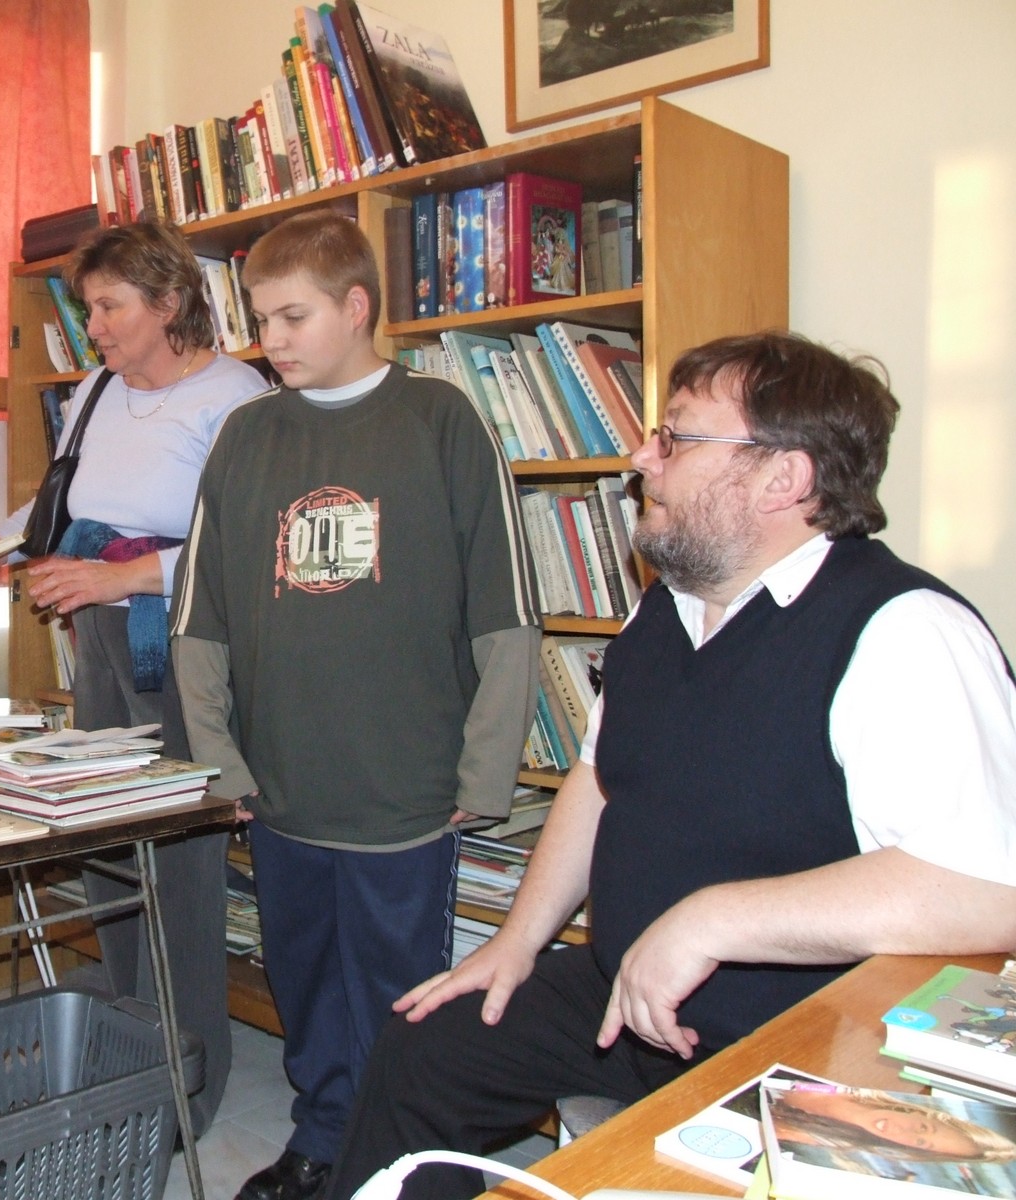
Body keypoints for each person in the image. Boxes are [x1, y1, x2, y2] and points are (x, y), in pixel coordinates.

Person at [327, 330, 1016, 1200]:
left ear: (783, 478)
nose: (640, 457)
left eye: (678, 437)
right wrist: (516, 941)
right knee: (427, 1048)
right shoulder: (667, 609)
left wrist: (709, 921)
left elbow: (987, 891)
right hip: (626, 991)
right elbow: (598, 779)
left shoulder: (904, 633)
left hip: (805, 1034)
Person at [170, 211, 541, 1200]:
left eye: (292, 317)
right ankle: (324, 1139)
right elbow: (199, 619)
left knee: (398, 995)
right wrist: (221, 765)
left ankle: (402, 1159)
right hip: (282, 788)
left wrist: (485, 773)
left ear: (357, 306)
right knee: (304, 981)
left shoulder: (442, 421)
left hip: (405, 791)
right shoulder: (247, 434)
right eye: (260, 319)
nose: (270, 340)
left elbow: (506, 613)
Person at [0, 219, 267, 1135]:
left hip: (186, 649)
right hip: (100, 641)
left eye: (109, 307)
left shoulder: (238, 398)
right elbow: (59, 504)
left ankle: (186, 1085)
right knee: (106, 846)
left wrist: (118, 578)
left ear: (169, 303)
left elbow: (246, 549)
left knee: (179, 870)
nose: (93, 328)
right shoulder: (94, 391)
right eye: (90, 309)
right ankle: (127, 1052)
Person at [766, 1084, 1016, 1166]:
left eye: (921, 1142)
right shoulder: (855, 1085)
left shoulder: (824, 1142)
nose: (904, 1132)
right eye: (923, 1128)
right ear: (920, 1113)